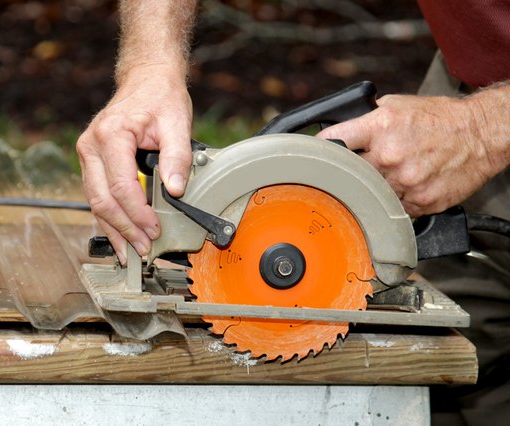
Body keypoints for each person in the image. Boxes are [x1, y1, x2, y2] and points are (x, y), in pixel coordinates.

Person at [77, 1, 510, 423]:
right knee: (444, 372)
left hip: (486, 116)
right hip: (477, 77)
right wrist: (151, 68)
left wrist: (481, 129)